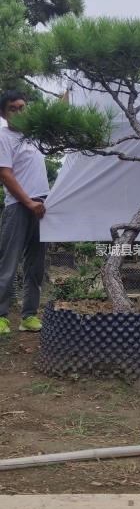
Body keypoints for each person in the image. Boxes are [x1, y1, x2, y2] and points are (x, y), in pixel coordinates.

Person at [0, 91, 49, 335]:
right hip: (19, 207)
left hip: (42, 207)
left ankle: (29, 315)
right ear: (3, 113)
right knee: (8, 264)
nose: (19, 112)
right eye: (13, 108)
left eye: (22, 107)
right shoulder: (3, 137)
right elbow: (5, 174)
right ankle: (1, 317)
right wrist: (29, 202)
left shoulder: (34, 137)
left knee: (36, 266)